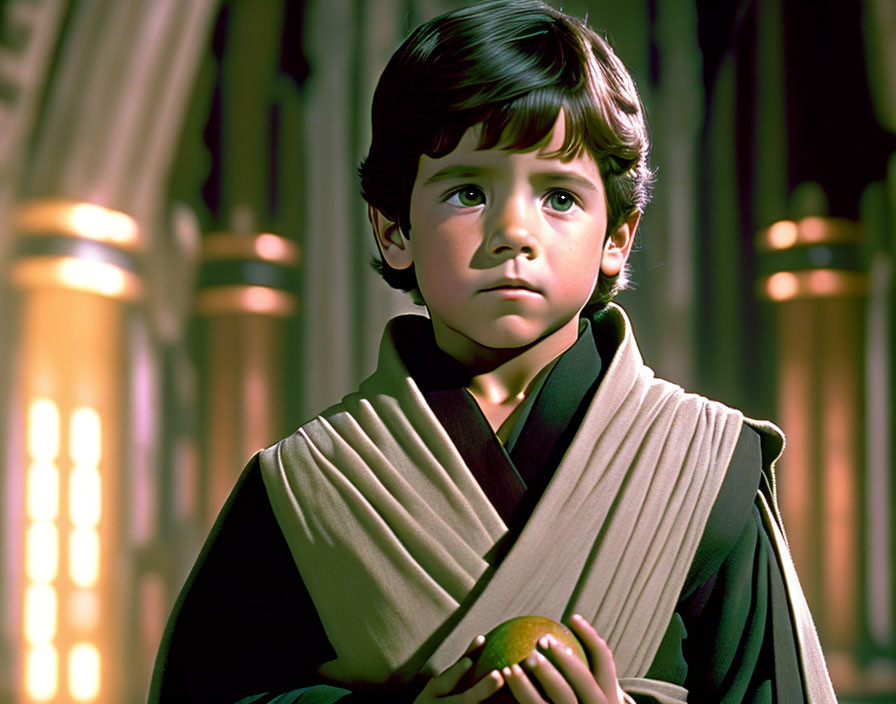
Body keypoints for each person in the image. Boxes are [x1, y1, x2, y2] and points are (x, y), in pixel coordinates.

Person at [150, 1, 836, 702]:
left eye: (559, 197)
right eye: (469, 191)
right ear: (394, 231)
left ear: (617, 239)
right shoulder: (307, 486)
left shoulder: (706, 466)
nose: (514, 231)